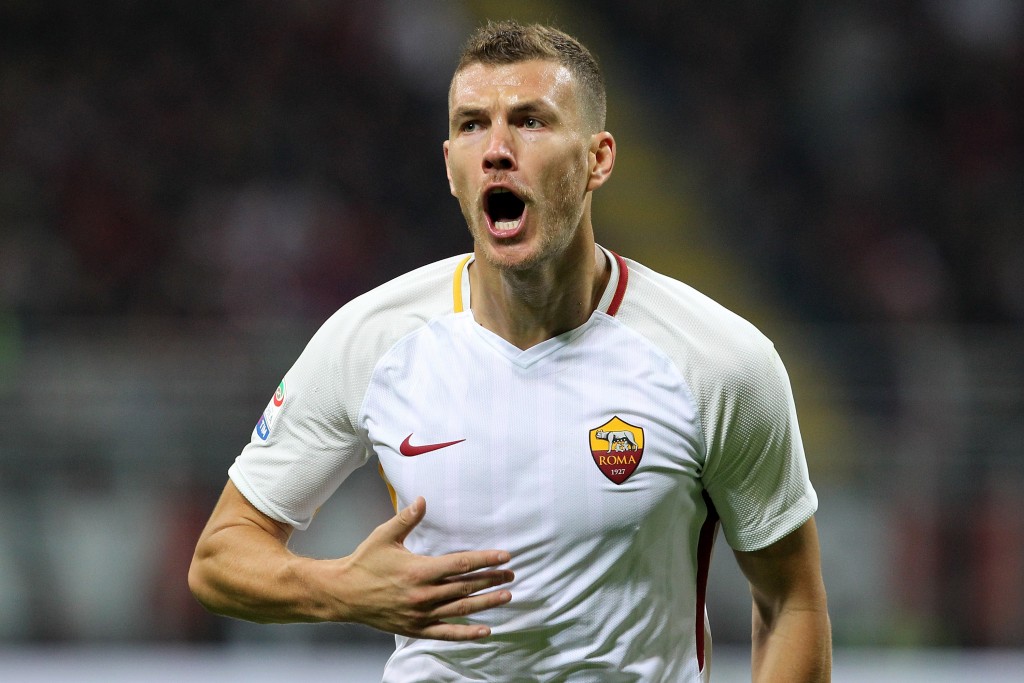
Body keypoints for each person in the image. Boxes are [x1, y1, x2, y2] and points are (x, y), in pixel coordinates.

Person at [189, 20, 832, 682]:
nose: (497, 149)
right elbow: (219, 558)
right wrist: (342, 591)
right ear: (450, 167)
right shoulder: (372, 340)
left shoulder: (718, 361)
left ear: (598, 159)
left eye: (530, 121)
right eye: (472, 125)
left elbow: (792, 602)